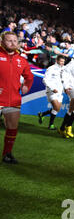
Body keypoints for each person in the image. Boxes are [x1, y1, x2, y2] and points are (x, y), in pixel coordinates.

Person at [0, 32, 34, 164]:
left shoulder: (21, 60)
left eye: (15, 41)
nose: (13, 43)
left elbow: (29, 77)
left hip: (13, 99)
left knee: (12, 128)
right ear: (2, 42)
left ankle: (7, 154)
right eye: (9, 41)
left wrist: (26, 86)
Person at [38, 55, 66, 130]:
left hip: (60, 92)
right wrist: (52, 88)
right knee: (56, 107)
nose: (62, 63)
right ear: (57, 60)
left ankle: (42, 114)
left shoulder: (64, 68)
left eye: (63, 61)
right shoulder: (51, 69)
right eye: (61, 61)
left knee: (56, 109)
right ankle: (51, 125)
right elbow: (45, 80)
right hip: (51, 91)